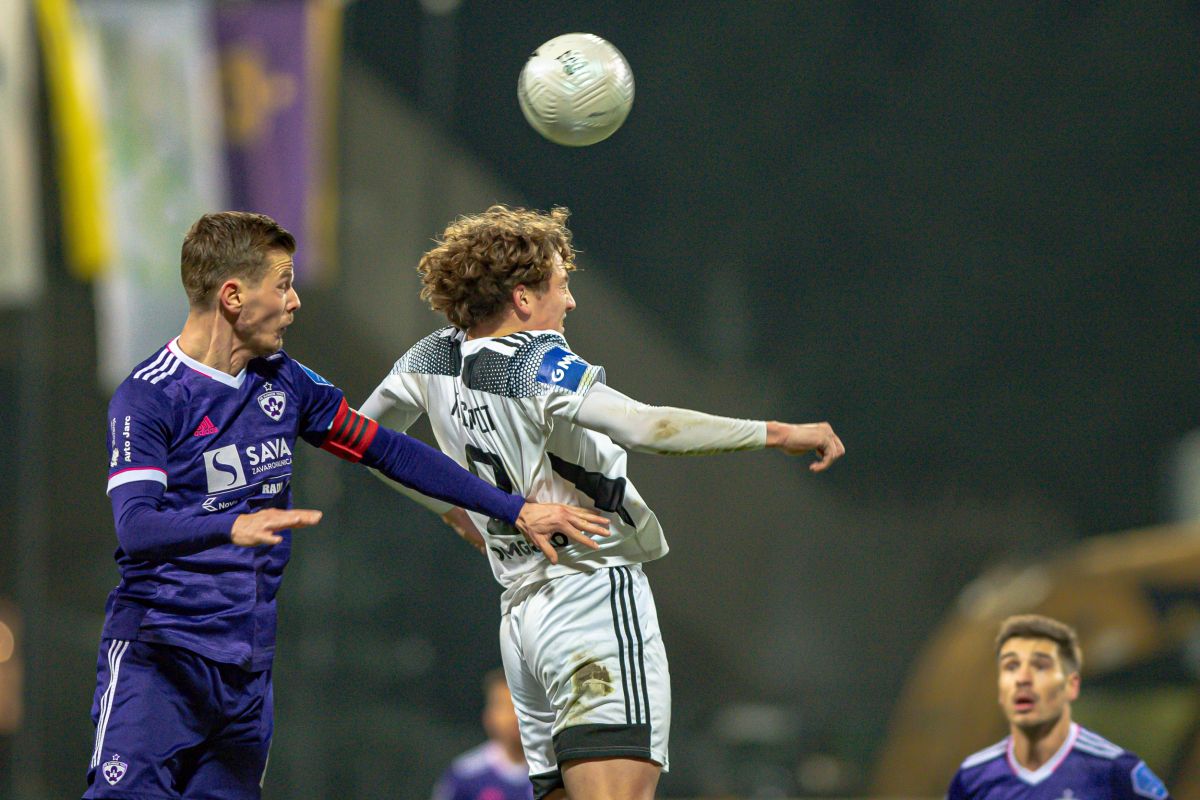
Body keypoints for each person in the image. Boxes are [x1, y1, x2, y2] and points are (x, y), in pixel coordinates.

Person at [85, 211, 609, 799]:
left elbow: (389, 449)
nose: (295, 301)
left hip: (244, 671)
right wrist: (233, 525)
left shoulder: (285, 382)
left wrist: (512, 508)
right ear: (233, 297)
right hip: (159, 657)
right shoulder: (150, 396)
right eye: (283, 284)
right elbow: (136, 527)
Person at [360, 204, 845, 800]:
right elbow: (646, 426)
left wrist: (452, 510)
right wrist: (776, 432)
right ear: (522, 298)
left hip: (521, 620)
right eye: (561, 285)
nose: (569, 302)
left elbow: (366, 441)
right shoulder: (535, 359)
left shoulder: (430, 358)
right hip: (590, 598)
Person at [946, 614, 1171, 800]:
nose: (1023, 679)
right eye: (1011, 666)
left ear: (1071, 686)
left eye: (1040, 666)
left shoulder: (1114, 770)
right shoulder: (972, 777)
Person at [433, 669, 534, 800]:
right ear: (489, 715)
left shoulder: (555, 774)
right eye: (506, 707)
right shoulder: (465, 775)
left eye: (526, 706)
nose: (515, 717)